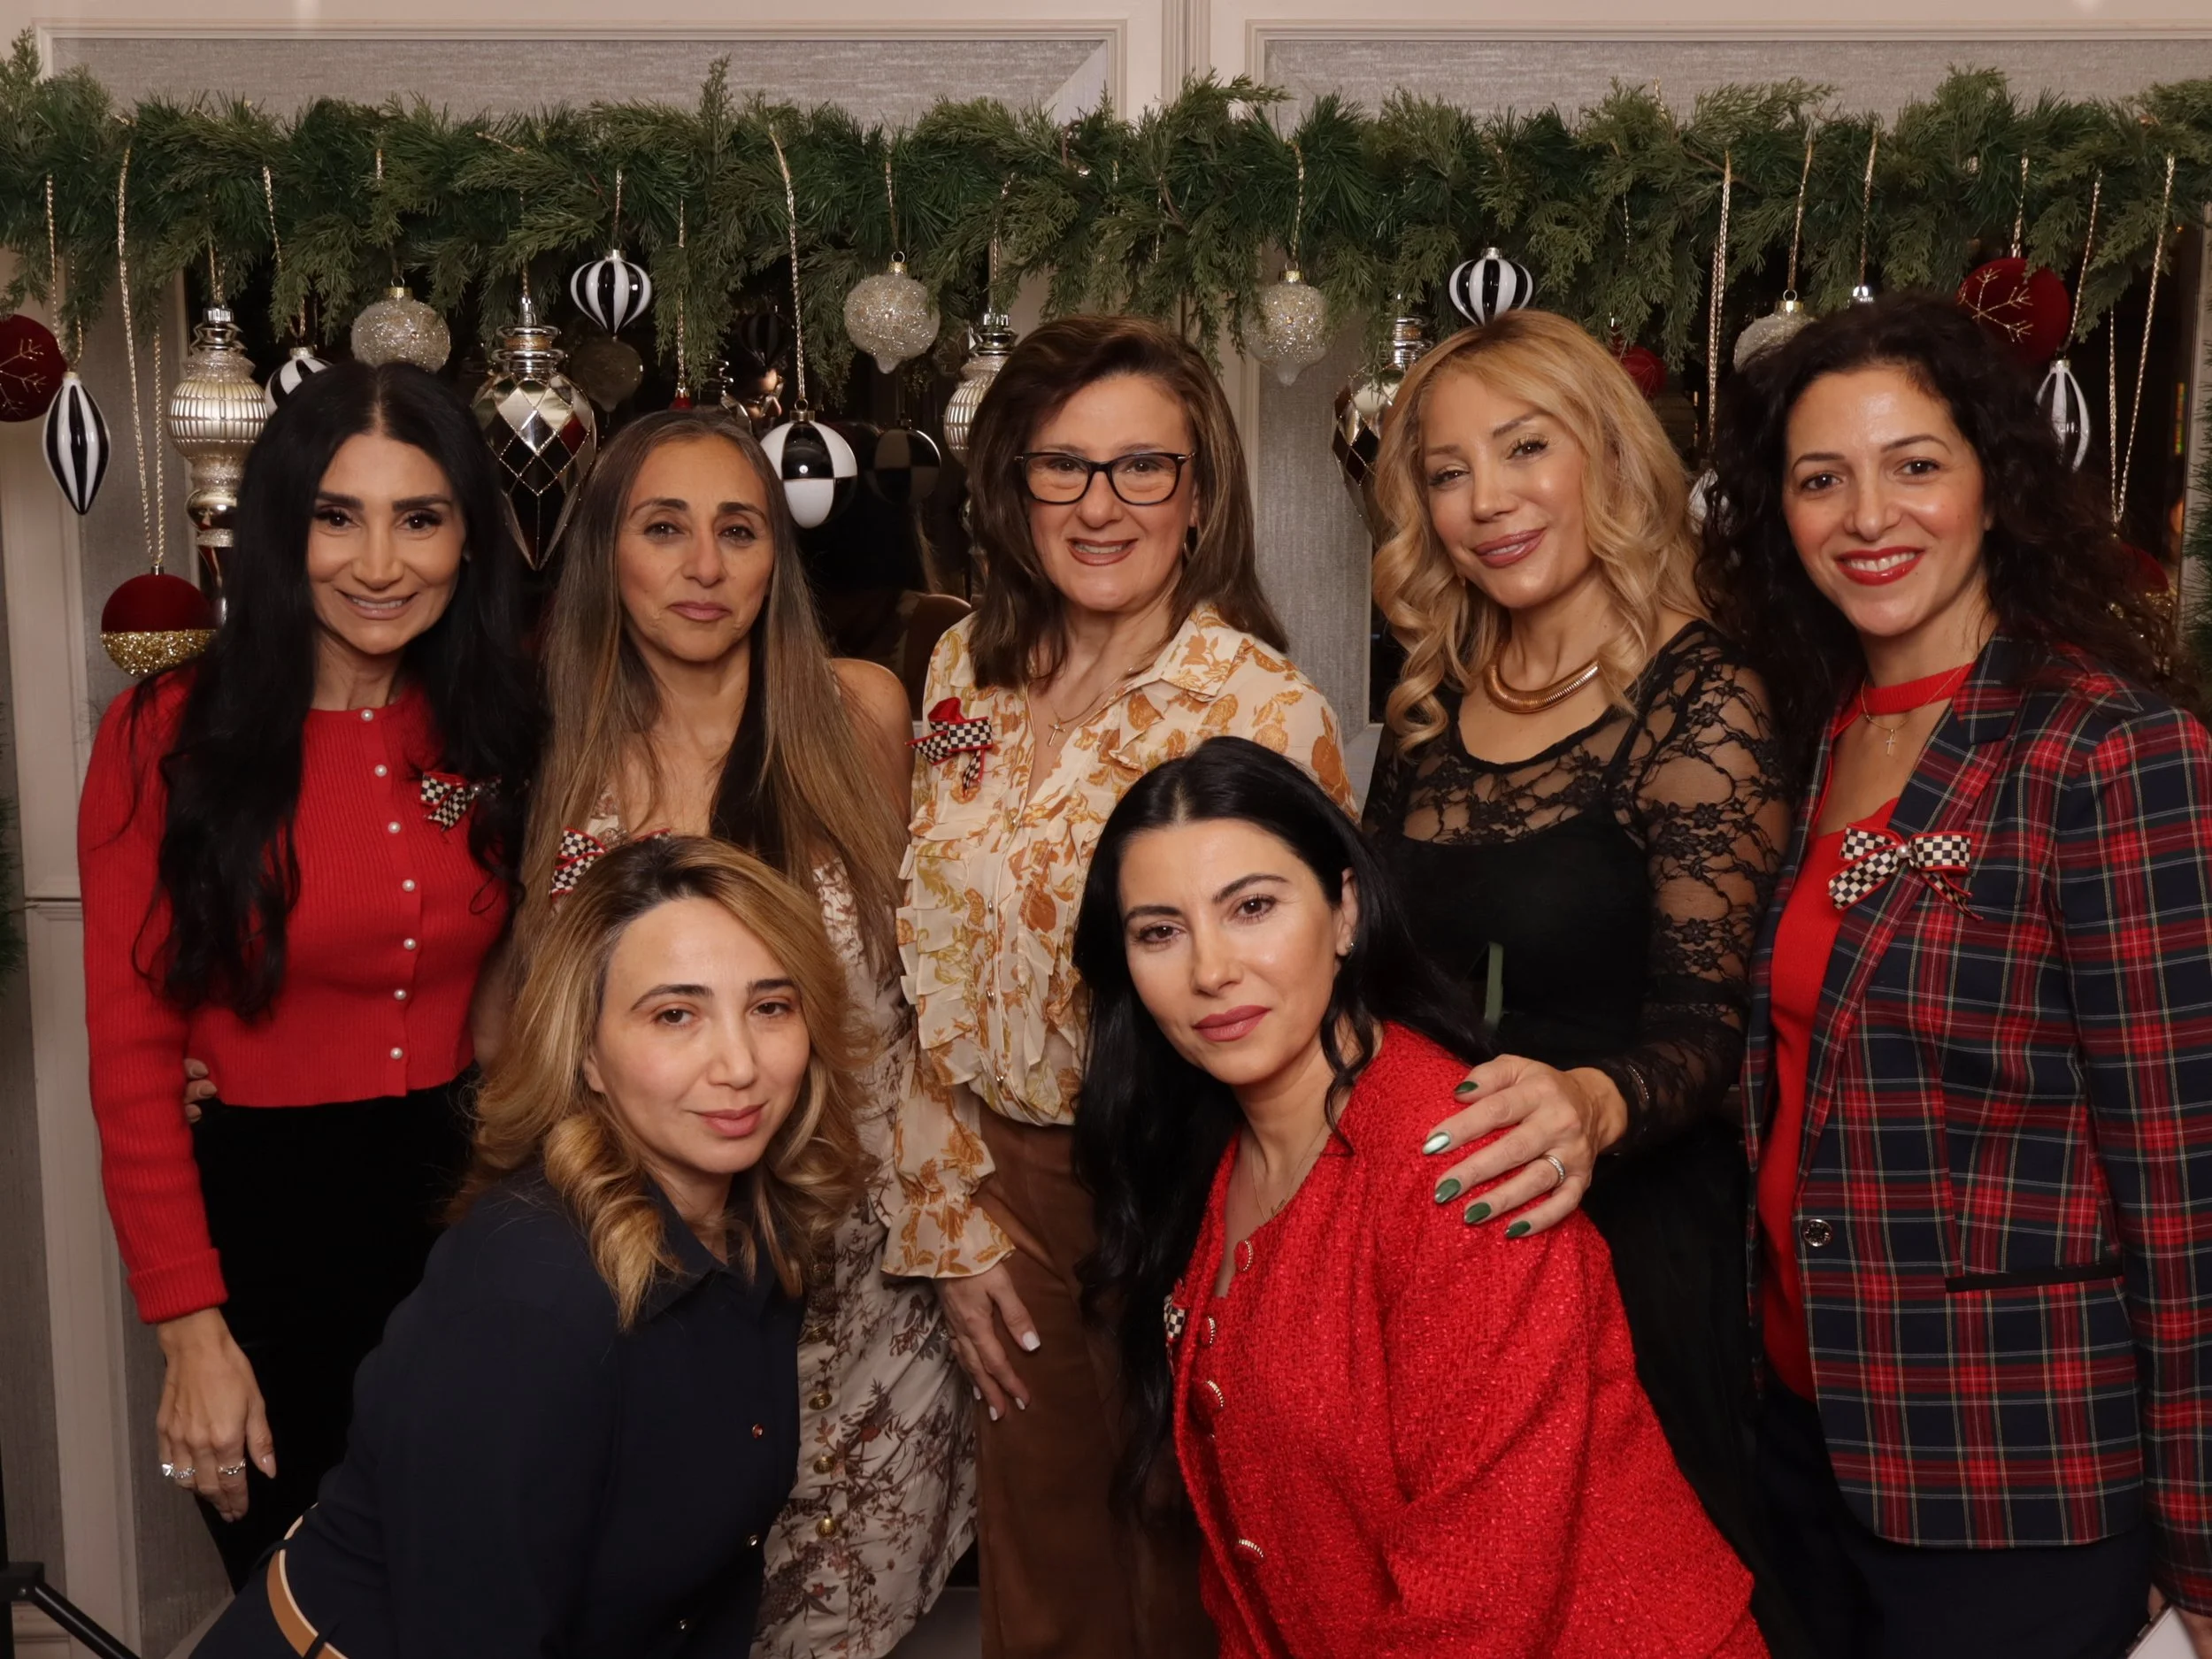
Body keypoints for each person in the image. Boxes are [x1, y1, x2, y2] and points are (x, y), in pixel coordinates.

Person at [1701, 292, 2212, 1659]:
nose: (1870, 515)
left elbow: (2189, 1174)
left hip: (2016, 1475)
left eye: (1916, 463)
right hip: (1812, 1445)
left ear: (1996, 480)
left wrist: (2207, 1556)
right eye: (1824, 478)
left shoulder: (2108, 751)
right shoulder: (1828, 735)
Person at [1070, 734, 1765, 1657]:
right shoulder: (1214, 1159)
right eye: (1159, 931)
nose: (1209, 970)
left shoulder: (1460, 1166)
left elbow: (1482, 1598)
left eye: (1252, 908)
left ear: (1345, 910)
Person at [888, 313, 1352, 1657]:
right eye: (1064, 467)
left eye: (1143, 467)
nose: (1102, 506)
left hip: (1188, 1176)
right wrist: (952, 1213)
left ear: (1197, 494)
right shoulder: (961, 669)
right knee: (1040, 1568)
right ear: (1010, 485)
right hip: (1003, 1179)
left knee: (1190, 1556)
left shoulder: (1256, 707)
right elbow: (934, 956)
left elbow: (1315, 992)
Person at [1360, 308, 1793, 1634]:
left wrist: (1591, 1103)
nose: (1485, 500)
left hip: (1629, 1247)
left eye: (1524, 446)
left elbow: (1717, 1033)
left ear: (1604, 453)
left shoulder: (1702, 697)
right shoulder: (1429, 699)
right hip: (1443, 1242)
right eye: (1445, 469)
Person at [516, 407, 972, 1659]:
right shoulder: (566, 760)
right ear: (610, 550)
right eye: (666, 529)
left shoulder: (864, 711)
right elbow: (535, 1029)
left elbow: (949, 987)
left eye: (739, 530)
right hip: (657, 1289)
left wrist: (964, 1230)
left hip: (865, 1292)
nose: (705, 566)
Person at [76, 362, 540, 1584]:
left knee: (480, 1603)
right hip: (261, 1237)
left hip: (466, 1219)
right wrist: (190, 1329)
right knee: (309, 1602)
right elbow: (130, 1056)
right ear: (285, 526)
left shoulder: (502, 729)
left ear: (469, 541)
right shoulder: (165, 733)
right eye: (339, 514)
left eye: (421, 517)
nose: (379, 561)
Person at [193, 835, 866, 1658]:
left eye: (771, 1006)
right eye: (675, 1014)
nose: (740, 1064)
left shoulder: (756, 1236)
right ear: (584, 1051)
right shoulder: (533, 1296)